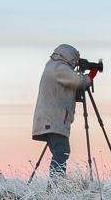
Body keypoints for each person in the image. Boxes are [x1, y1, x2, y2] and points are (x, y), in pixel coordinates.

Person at [32, 44, 96, 177]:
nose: (75, 63)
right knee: (62, 151)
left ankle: (56, 186)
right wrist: (90, 76)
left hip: (51, 118)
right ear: (69, 56)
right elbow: (78, 81)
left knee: (59, 151)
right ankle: (56, 186)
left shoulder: (52, 66)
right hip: (54, 119)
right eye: (75, 59)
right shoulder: (59, 67)